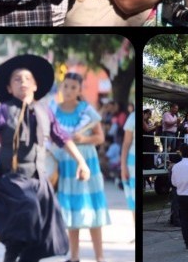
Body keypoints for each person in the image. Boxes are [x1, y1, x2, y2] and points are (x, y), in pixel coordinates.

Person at [0, 55, 91, 262]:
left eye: (27, 78)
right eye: (17, 79)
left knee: (44, 234)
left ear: (35, 85)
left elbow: (62, 137)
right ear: (9, 88)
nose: (22, 81)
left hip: (40, 181)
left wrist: (82, 162)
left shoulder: (45, 111)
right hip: (11, 181)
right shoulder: (4, 111)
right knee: (28, 214)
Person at [49, 72, 110, 262]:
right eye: (66, 86)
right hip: (65, 165)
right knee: (70, 212)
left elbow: (100, 138)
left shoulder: (87, 110)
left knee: (92, 210)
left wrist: (83, 139)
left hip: (87, 162)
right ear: (61, 86)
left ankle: (100, 257)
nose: (68, 90)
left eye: (73, 87)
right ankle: (74, 256)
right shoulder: (53, 110)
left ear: (79, 90)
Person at [120, 109, 136, 223]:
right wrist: (123, 166)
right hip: (132, 161)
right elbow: (126, 143)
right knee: (133, 199)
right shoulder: (132, 117)